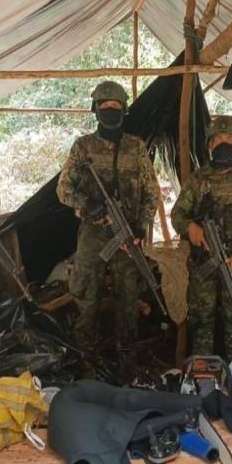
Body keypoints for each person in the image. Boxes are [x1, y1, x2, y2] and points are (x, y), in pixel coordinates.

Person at [56, 80, 159, 376]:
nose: (110, 111)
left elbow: (151, 192)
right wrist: (86, 206)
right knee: (86, 294)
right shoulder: (83, 147)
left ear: (124, 110)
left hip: (128, 237)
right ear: (95, 110)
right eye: (104, 107)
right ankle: (84, 357)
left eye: (115, 107)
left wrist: (141, 227)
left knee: (128, 298)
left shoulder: (136, 147)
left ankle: (126, 358)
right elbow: (63, 189)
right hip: (93, 235)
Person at [171, 116, 232, 358]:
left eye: (229, 139)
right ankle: (203, 373)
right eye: (218, 139)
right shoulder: (197, 180)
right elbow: (177, 215)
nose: (224, 143)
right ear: (210, 144)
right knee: (202, 321)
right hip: (204, 263)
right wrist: (190, 227)